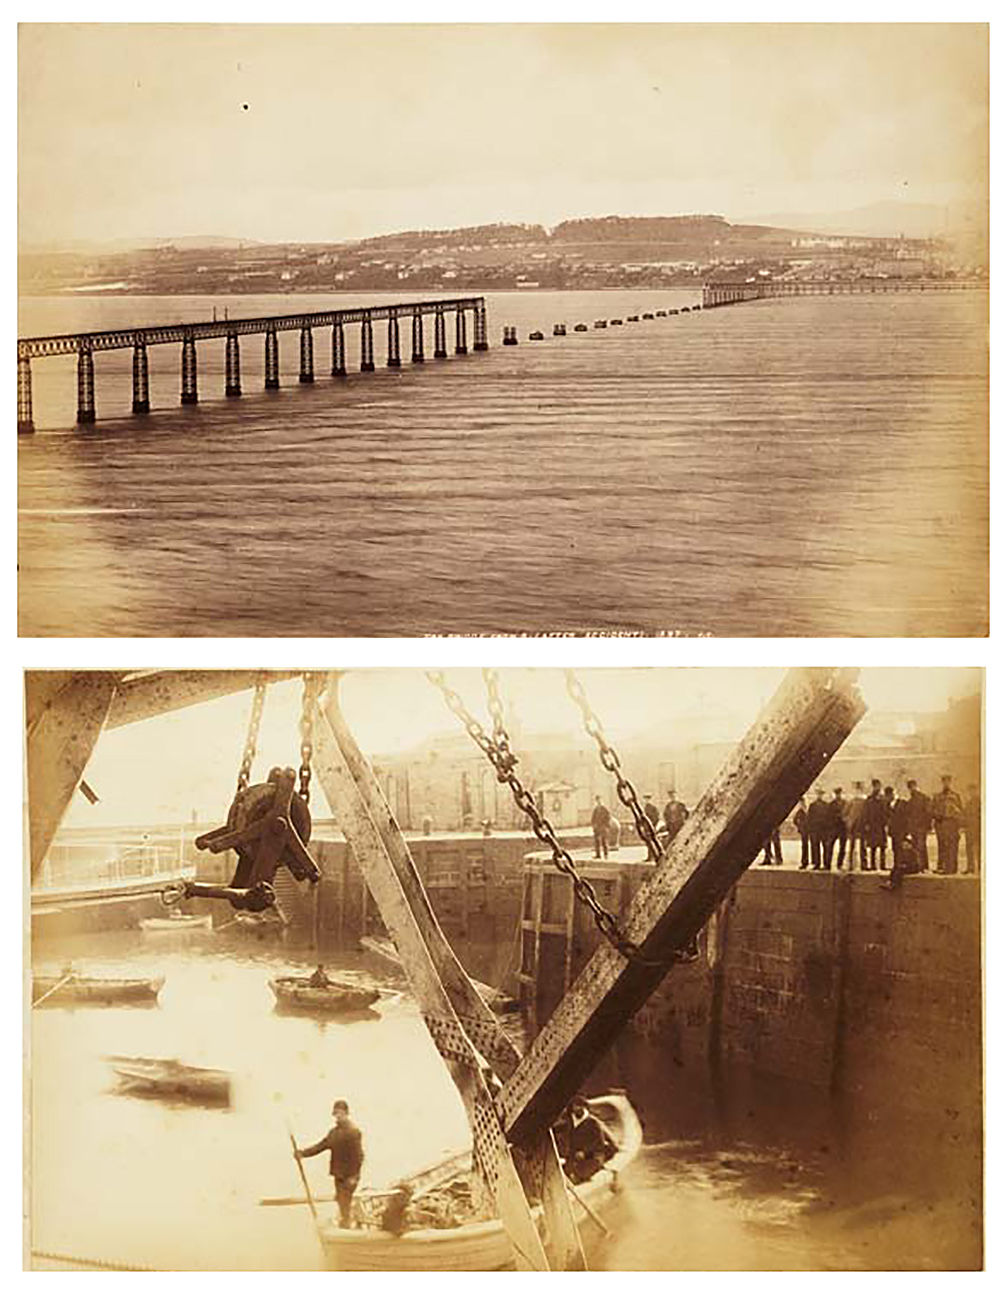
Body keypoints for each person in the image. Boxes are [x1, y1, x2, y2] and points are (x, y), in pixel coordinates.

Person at [297, 1099, 365, 1228]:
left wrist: (354, 1177)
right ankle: (345, 1226)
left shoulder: (353, 1132)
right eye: (336, 1113)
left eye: (340, 1113)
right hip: (338, 1175)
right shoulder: (333, 1133)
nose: (338, 1116)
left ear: (346, 1113)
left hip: (350, 1177)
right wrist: (303, 1154)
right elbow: (320, 1146)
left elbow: (359, 1156)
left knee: (344, 1203)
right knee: (341, 1202)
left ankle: (345, 1231)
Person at [563, 1098, 617, 1185]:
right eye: (575, 1106)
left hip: (592, 1158)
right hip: (574, 1158)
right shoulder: (571, 1122)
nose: (577, 1109)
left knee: (580, 1175)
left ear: (584, 1108)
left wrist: (585, 1153)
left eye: (579, 1106)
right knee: (565, 1173)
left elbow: (599, 1144)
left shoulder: (593, 1123)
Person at [932, 775, 964, 875]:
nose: (946, 783)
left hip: (953, 824)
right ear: (942, 783)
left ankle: (953, 868)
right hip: (941, 823)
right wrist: (937, 816)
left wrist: (959, 824)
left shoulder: (956, 796)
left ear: (950, 782)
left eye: (948, 782)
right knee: (942, 846)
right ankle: (942, 867)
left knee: (953, 846)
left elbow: (961, 810)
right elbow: (932, 809)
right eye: (944, 782)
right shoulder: (937, 796)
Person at [904, 779, 932, 872]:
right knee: (916, 847)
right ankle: (920, 866)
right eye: (910, 788)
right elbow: (908, 816)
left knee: (921, 846)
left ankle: (923, 866)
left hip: (921, 827)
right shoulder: (911, 800)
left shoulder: (923, 798)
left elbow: (928, 813)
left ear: (916, 786)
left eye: (913, 787)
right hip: (914, 827)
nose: (912, 789)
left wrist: (928, 826)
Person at [862, 779, 887, 872]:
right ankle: (873, 864)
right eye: (876, 786)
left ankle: (882, 865)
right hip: (873, 826)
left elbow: (886, 813)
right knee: (873, 847)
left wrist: (886, 823)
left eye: (878, 786)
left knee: (882, 846)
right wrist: (866, 824)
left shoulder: (882, 799)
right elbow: (866, 813)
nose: (877, 787)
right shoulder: (869, 799)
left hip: (880, 826)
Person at [844, 782, 867, 871]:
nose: (858, 791)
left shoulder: (864, 801)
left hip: (862, 824)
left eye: (859, 789)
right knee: (852, 845)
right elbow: (844, 813)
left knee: (862, 845)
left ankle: (863, 864)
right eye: (857, 789)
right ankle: (851, 864)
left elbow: (867, 813)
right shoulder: (851, 801)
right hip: (853, 825)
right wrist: (848, 821)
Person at [807, 788, 831, 870]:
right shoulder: (812, 806)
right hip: (816, 830)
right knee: (816, 847)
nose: (819, 796)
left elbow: (829, 819)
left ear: (822, 795)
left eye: (820, 794)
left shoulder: (826, 806)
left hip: (823, 830)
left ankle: (826, 864)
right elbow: (809, 819)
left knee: (825, 847)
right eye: (818, 794)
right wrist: (810, 829)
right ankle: (817, 863)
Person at [887, 788, 909, 870]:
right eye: (889, 795)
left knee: (901, 848)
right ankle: (896, 864)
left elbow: (906, 817)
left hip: (901, 829)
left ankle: (901, 864)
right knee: (895, 848)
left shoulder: (903, 803)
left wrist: (907, 830)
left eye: (893, 794)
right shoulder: (888, 804)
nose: (892, 796)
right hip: (894, 830)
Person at [829, 787, 848, 869]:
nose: (838, 795)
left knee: (842, 847)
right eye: (837, 794)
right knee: (830, 845)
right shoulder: (831, 804)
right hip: (834, 828)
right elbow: (828, 816)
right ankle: (828, 863)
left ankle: (839, 864)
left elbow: (847, 814)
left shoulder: (845, 803)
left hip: (843, 828)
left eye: (839, 794)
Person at [964, 785, 981, 874]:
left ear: (976, 791)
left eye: (973, 791)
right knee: (969, 849)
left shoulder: (981, 802)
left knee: (980, 848)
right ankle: (970, 868)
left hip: (978, 828)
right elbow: (965, 816)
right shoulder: (968, 803)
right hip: (969, 829)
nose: (971, 793)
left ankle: (981, 868)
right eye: (970, 791)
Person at [642, 795, 660, 860]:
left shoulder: (653, 808)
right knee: (648, 842)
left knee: (652, 842)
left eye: (648, 799)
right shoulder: (644, 808)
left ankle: (653, 856)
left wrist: (653, 825)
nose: (646, 801)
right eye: (645, 800)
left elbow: (657, 817)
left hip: (651, 827)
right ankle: (649, 856)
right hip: (646, 827)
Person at [793, 798, 809, 868]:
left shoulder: (807, 810)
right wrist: (799, 827)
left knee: (811, 846)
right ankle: (804, 862)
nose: (801, 804)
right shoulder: (800, 812)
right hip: (804, 831)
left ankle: (809, 861)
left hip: (809, 830)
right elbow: (795, 820)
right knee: (804, 846)